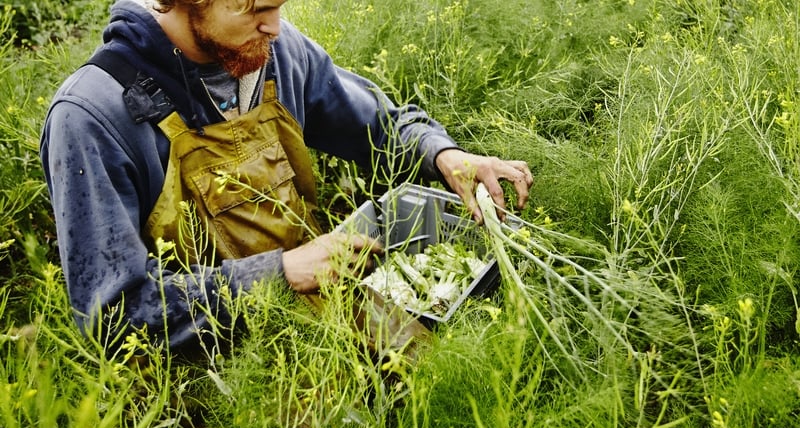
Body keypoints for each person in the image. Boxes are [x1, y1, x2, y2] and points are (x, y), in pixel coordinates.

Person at [39, 0, 533, 356]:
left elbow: (376, 124)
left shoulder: (277, 51)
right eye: (252, 8)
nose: (275, 26)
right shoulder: (91, 115)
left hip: (320, 307)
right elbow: (115, 313)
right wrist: (282, 273)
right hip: (206, 372)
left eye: (278, 4)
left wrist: (443, 154)